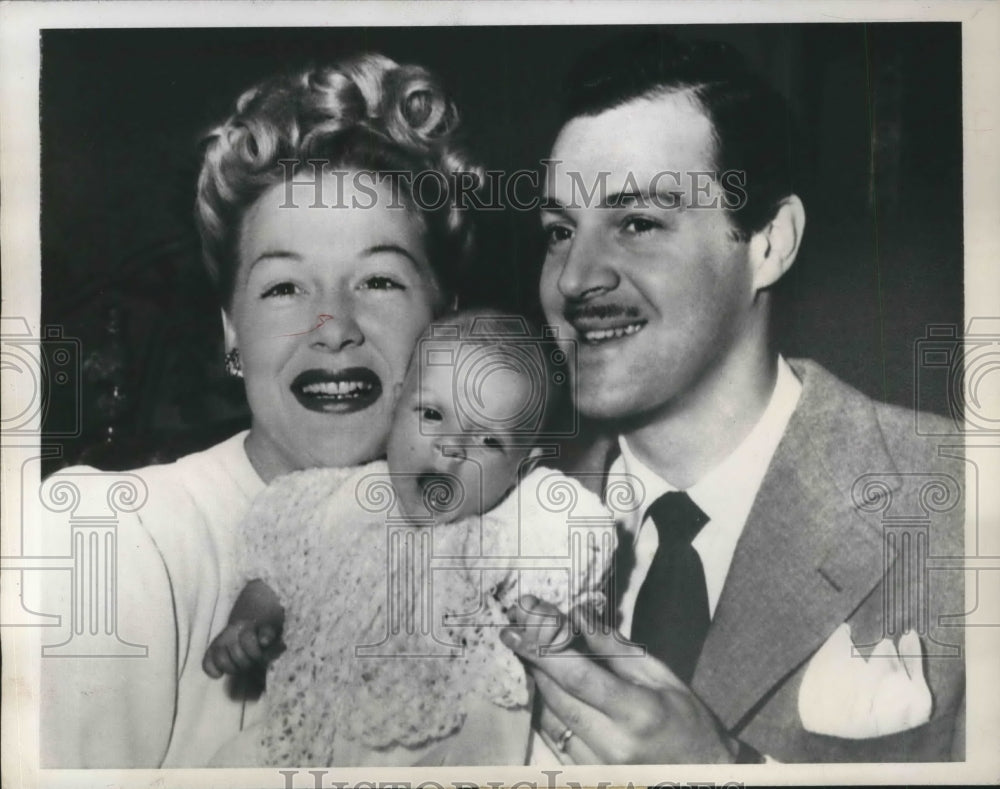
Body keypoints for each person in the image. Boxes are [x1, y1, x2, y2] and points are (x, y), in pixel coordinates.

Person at [500, 32, 965, 763]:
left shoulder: (958, 499)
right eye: (560, 231)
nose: (573, 278)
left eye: (637, 223)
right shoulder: (500, 513)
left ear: (770, 243)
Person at [37, 53, 482, 767]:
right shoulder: (117, 534)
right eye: (283, 288)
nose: (333, 324)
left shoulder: (497, 538)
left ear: (447, 320)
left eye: (379, 279)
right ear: (231, 331)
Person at [201, 308, 615, 767]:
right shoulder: (334, 503)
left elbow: (562, 612)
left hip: (457, 751)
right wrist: (248, 623)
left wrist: (555, 628)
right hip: (320, 738)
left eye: (488, 441)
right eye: (433, 414)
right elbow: (275, 577)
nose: (451, 446)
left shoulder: (515, 528)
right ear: (397, 406)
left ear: (522, 467)